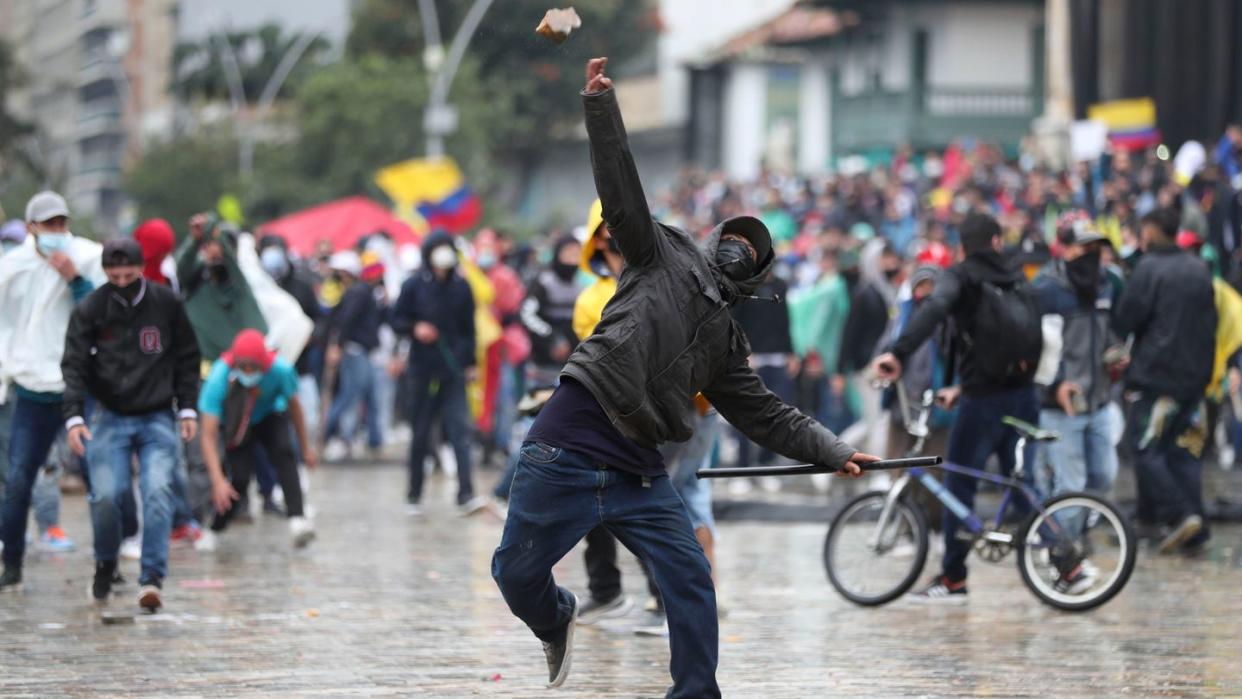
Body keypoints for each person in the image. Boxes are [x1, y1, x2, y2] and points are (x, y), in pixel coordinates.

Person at [491, 57, 874, 697]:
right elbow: (620, 187)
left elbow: (768, 415)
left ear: (756, 277)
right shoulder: (657, 251)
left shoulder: (728, 344)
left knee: (691, 577)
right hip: (568, 443)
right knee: (515, 575)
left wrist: (833, 450)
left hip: (639, 469)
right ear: (714, 239)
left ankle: (696, 693)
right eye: (735, 239)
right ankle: (556, 615)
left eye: (752, 251)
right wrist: (599, 106)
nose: (738, 249)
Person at [872, 212, 1055, 603]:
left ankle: (953, 577)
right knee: (1021, 486)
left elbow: (934, 313)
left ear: (961, 246)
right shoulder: (1018, 277)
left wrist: (898, 354)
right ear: (997, 242)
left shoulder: (960, 275)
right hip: (1023, 395)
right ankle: (1066, 560)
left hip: (983, 399)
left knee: (960, 485)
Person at [61, 238, 201, 611]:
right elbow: (73, 363)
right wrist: (74, 415)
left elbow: (188, 355)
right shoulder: (92, 308)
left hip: (157, 414)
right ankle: (106, 563)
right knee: (106, 495)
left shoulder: (166, 303)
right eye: (114, 274)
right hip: (110, 415)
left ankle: (151, 577)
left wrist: (188, 408)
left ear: (141, 267)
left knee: (157, 492)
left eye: (129, 273)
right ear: (105, 271)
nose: (122, 280)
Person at [0, 191, 105, 590]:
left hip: (78, 387)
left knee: (100, 475)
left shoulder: (86, 257)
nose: (57, 232)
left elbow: (100, 316)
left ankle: (107, 562)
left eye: (62, 224)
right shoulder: (13, 267)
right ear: (31, 229)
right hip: (31, 390)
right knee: (19, 477)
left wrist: (74, 279)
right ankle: (11, 562)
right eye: (49, 226)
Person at [1114, 208, 1216, 554]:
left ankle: (1182, 513)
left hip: (1158, 379)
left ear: (1153, 230)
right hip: (1195, 379)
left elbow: (1127, 317)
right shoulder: (1198, 268)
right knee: (1184, 453)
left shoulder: (1149, 268)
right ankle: (1195, 528)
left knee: (1144, 449)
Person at [389, 233, 484, 515]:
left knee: (459, 431)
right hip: (422, 369)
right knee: (420, 432)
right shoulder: (414, 286)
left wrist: (470, 363)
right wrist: (415, 328)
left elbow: (469, 329)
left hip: (453, 369)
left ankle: (465, 493)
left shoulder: (462, 287)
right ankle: (414, 493)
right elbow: (395, 319)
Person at [1032, 217, 1124, 502]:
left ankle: (1071, 538)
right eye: (1087, 246)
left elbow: (1112, 331)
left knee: (1104, 476)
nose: (1094, 253)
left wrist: (1117, 353)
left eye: (1098, 246)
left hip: (1098, 400)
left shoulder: (1108, 283)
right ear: (1067, 249)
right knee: (1070, 488)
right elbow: (1037, 345)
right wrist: (1057, 383)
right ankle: (1060, 542)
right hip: (1061, 406)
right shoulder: (1047, 289)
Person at [197, 330, 318, 548]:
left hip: (269, 414)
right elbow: (207, 434)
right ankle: (215, 528)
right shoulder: (219, 377)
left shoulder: (281, 370)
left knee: (284, 451)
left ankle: (297, 518)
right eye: (243, 367)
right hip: (235, 422)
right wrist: (217, 480)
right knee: (239, 480)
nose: (248, 372)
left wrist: (306, 447)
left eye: (254, 367)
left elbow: (296, 409)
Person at [176, 214, 267, 362]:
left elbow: (229, 260)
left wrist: (212, 228)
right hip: (209, 363)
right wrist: (195, 240)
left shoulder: (238, 280)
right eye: (208, 245)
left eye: (217, 245)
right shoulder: (196, 281)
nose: (213, 250)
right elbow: (182, 267)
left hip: (244, 363)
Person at [322, 251, 383, 460]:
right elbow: (345, 321)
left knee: (366, 395)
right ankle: (330, 433)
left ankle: (371, 439)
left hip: (360, 350)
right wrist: (337, 346)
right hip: (354, 350)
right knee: (350, 395)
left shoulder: (358, 292)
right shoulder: (358, 292)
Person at [519, 235, 583, 388]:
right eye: (568, 252)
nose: (573, 257)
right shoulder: (543, 282)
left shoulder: (581, 283)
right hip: (545, 365)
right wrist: (553, 339)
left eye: (577, 253)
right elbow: (527, 315)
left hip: (575, 365)